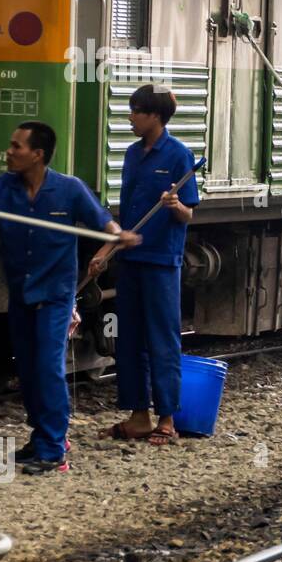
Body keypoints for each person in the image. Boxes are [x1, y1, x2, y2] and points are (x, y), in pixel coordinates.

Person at [0, 123, 139, 474]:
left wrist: (118, 235)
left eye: (16, 146)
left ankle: (53, 450)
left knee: (48, 368)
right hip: (20, 293)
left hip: (56, 295)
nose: (9, 151)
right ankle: (42, 437)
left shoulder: (70, 190)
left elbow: (102, 222)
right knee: (29, 369)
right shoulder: (0, 189)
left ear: (37, 154)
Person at [94, 85, 200, 445]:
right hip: (131, 259)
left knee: (162, 340)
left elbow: (188, 215)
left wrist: (175, 207)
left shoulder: (179, 155)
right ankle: (138, 416)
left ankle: (167, 418)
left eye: (136, 111)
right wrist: (106, 250)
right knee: (128, 339)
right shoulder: (131, 155)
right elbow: (125, 214)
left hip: (161, 262)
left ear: (154, 116)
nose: (130, 117)